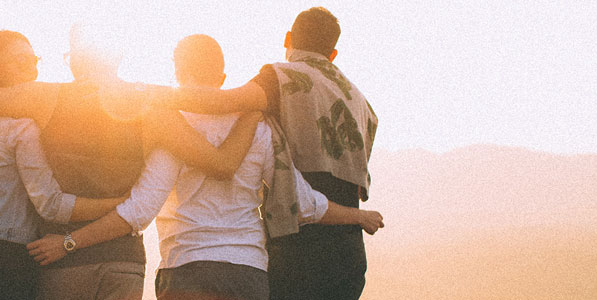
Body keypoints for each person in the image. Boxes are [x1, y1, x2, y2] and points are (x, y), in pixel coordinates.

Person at [26, 34, 384, 300]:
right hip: (247, 273)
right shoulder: (258, 127)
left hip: (187, 269)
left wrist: (70, 242)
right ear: (223, 77)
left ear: (178, 71)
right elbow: (302, 203)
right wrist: (359, 217)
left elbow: (140, 210)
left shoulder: (173, 127)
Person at [0, 25, 261, 300]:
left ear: (75, 58)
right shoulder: (152, 107)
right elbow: (221, 164)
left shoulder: (43, 97)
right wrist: (254, 110)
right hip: (124, 264)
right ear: (117, 56)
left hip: (62, 263)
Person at [156, 7, 381, 300]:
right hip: (348, 253)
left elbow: (225, 103)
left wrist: (151, 98)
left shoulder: (282, 78)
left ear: (288, 38)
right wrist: (359, 217)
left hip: (296, 250)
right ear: (333, 53)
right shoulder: (361, 103)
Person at [0, 30, 128, 300]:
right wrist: (119, 204)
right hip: (1, 264)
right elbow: (51, 205)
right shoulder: (21, 127)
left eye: (35, 61)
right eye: (22, 63)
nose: (32, 72)